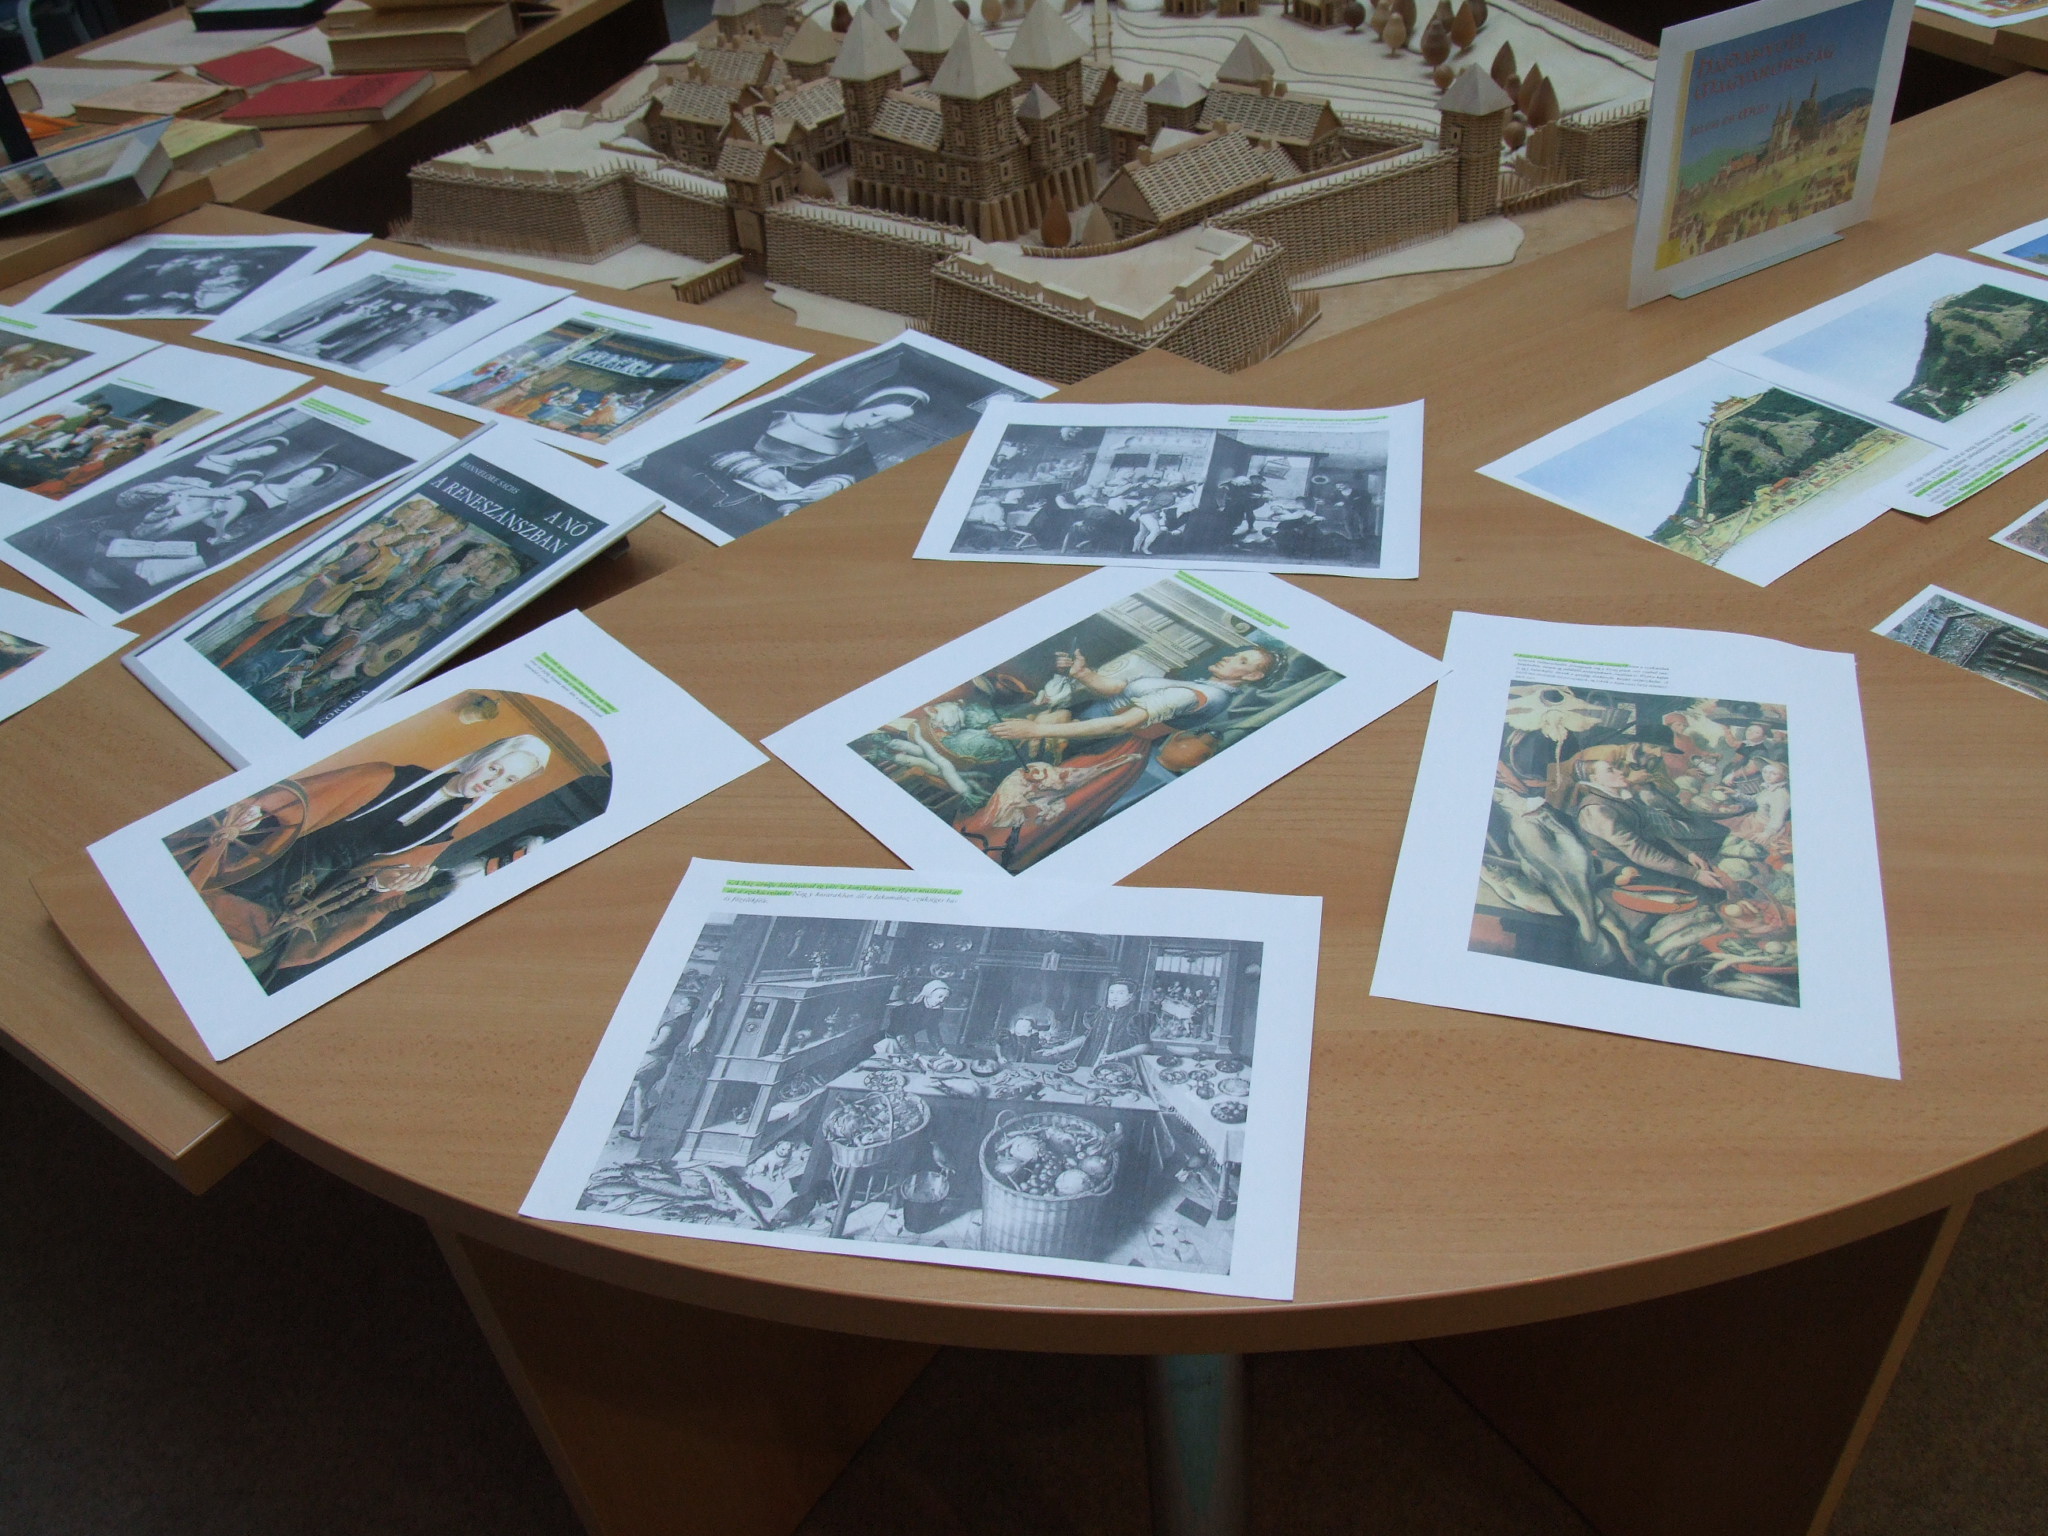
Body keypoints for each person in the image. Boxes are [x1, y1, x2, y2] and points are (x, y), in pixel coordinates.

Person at [167, 735, 551, 989]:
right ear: (482, 758)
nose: (493, 781)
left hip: (310, 895)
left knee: (247, 964)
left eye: (508, 780)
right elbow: (308, 798)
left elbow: (377, 878)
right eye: (495, 768)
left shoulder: (445, 830)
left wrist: (386, 883)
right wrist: (261, 808)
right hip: (277, 862)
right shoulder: (386, 776)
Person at [707, 386, 929, 509]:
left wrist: (828, 487)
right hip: (713, 481)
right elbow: (717, 437)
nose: (873, 424)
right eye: (875, 414)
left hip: (766, 501)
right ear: (867, 403)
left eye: (887, 422)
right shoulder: (783, 411)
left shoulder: (856, 447)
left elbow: (859, 474)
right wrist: (754, 471)